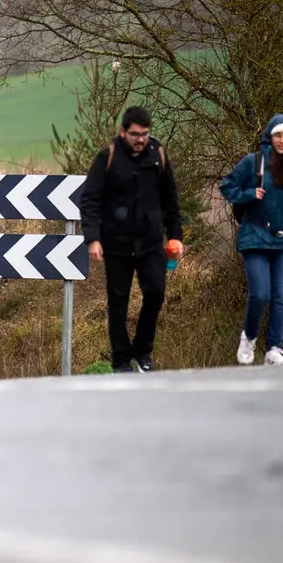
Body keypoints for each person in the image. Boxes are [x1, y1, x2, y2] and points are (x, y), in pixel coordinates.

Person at [80, 106, 184, 373]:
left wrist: (175, 236)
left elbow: (170, 199)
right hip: (117, 243)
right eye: (136, 134)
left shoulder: (158, 155)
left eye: (145, 134)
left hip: (151, 241)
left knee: (156, 292)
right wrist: (93, 239)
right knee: (118, 301)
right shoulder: (107, 157)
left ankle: (143, 351)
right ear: (123, 132)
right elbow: (90, 199)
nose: (141, 139)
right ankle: (121, 359)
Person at [220, 114, 283, 366]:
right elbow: (227, 186)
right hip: (255, 237)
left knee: (281, 295)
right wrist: (248, 194)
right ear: (270, 137)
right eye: (278, 135)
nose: (282, 140)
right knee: (260, 294)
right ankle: (249, 337)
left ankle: (274, 349)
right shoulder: (253, 162)